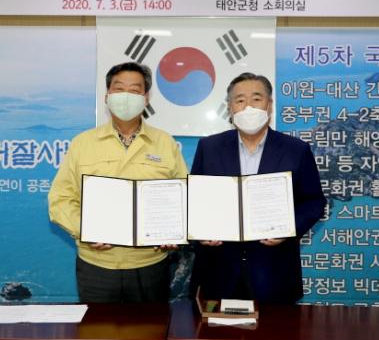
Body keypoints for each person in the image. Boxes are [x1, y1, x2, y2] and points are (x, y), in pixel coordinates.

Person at [48, 61, 188, 303]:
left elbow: (184, 197)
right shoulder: (83, 143)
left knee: (149, 325)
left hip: (150, 264)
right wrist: (85, 229)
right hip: (96, 265)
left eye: (134, 90)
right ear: (107, 96)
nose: (126, 96)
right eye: (119, 89)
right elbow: (60, 199)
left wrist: (175, 230)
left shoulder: (164, 143)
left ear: (146, 98)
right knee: (97, 325)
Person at [190, 72, 326, 303]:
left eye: (256, 98)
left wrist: (288, 229)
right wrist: (201, 231)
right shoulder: (209, 147)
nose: (248, 107)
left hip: (274, 269)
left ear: (269, 105)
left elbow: (314, 201)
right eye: (240, 100)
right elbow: (194, 200)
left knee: (275, 326)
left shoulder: (296, 149)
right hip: (218, 269)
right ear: (230, 107)